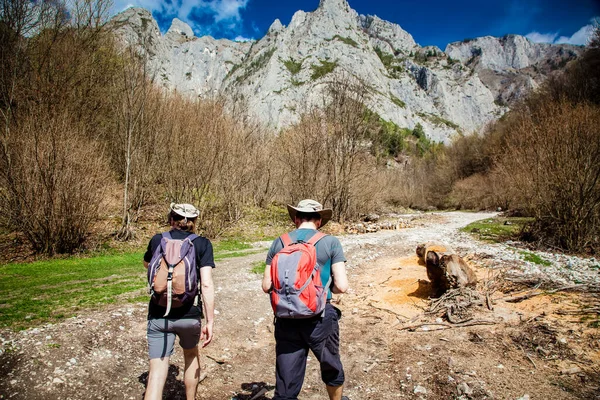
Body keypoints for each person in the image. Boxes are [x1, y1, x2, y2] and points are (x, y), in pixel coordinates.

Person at [262, 199, 350, 400]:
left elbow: (266, 286)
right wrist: (326, 289)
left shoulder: (280, 242)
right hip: (319, 317)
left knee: (286, 379)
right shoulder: (330, 242)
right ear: (319, 221)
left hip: (286, 317)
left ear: (296, 219)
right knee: (331, 367)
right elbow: (342, 287)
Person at [143, 203, 215, 400]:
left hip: (158, 313)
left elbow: (147, 265)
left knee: (157, 371)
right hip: (189, 314)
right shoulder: (202, 244)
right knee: (191, 356)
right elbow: (206, 284)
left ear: (171, 220)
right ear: (193, 222)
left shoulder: (158, 240)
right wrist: (210, 321)